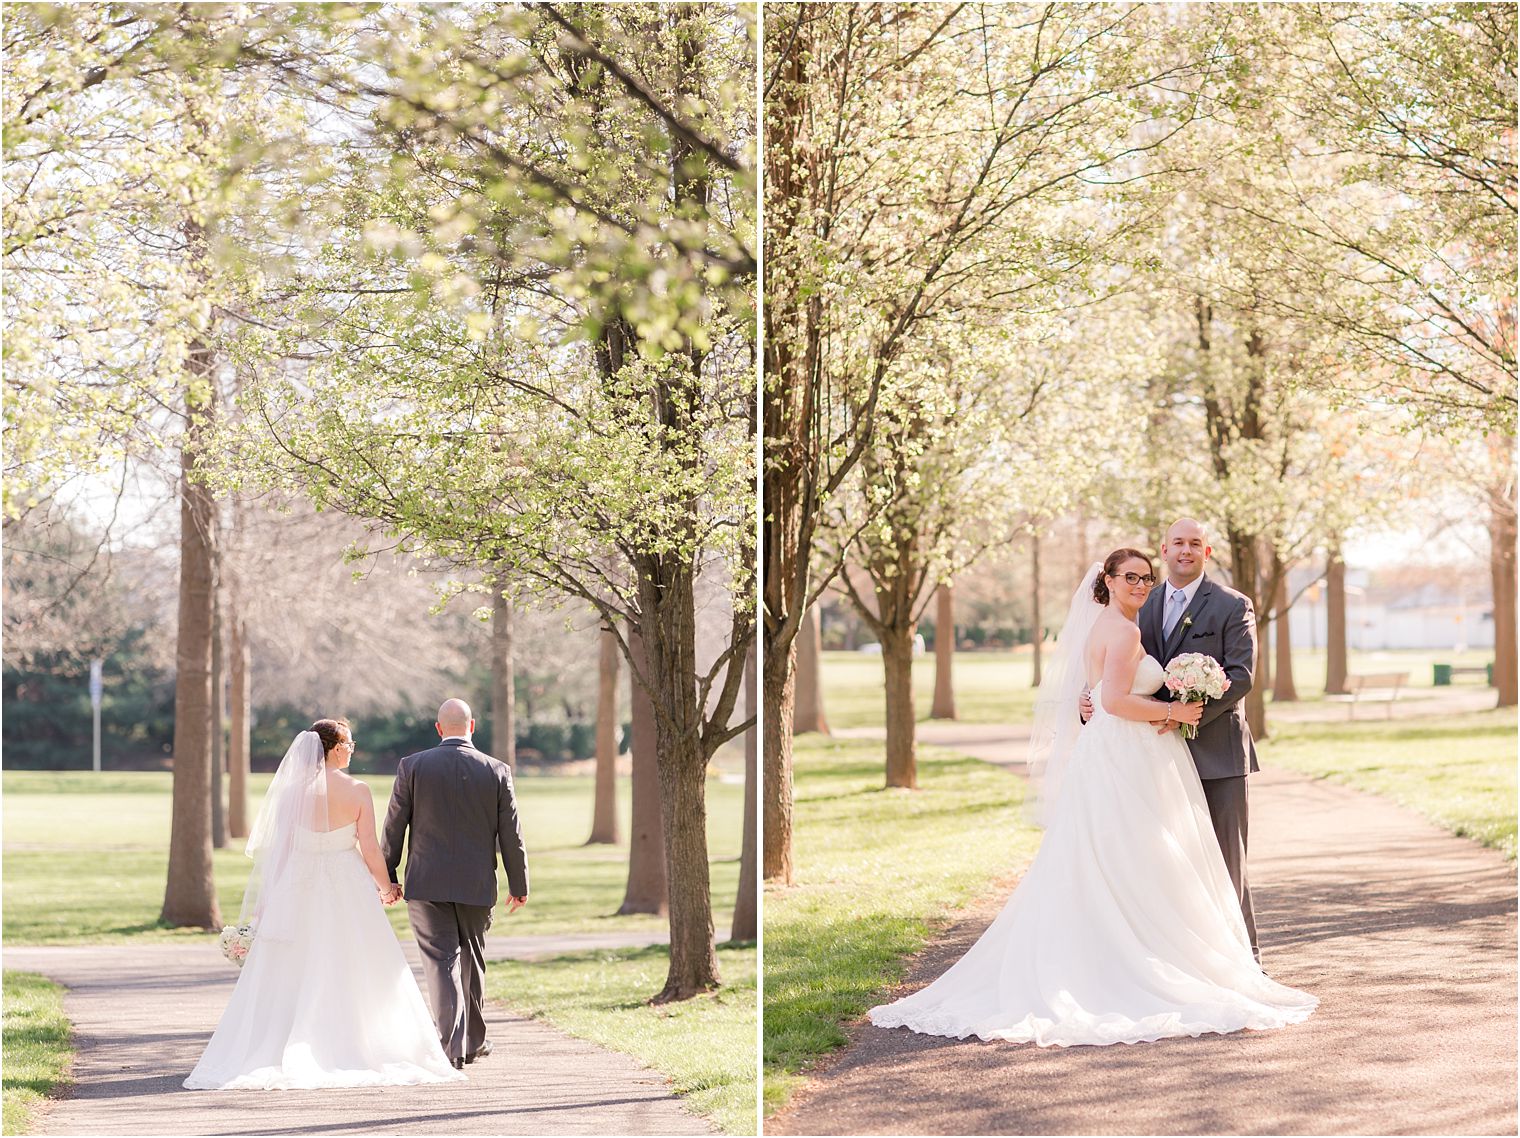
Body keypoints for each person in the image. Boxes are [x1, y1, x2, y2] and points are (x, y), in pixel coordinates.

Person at [869, 551, 1315, 1046]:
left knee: (1117, 859)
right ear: (1108, 580)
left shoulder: (1113, 624)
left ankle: (1126, 952)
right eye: (1130, 577)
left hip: (1118, 753)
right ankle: (1129, 963)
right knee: (1135, 857)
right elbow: (1114, 701)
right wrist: (1176, 712)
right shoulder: (1123, 630)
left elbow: (1101, 694)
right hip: (1128, 754)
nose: (1141, 585)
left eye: (1146, 578)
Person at [185, 719, 464, 1089]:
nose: (353, 749)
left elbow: (279, 852)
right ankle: (352, 1044)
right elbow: (369, 849)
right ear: (334, 748)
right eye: (349, 743)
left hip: (296, 887)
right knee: (355, 963)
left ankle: (277, 1045)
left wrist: (267, 904)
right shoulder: (357, 790)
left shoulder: (291, 793)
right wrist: (387, 887)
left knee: (292, 967)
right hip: (345, 885)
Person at [1080, 517, 1261, 960]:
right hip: (1151, 757)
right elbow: (1113, 673)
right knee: (1165, 863)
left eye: (1194, 543)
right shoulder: (1140, 600)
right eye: (1177, 543)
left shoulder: (1233, 604)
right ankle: (1180, 960)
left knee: (1223, 862)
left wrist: (1185, 717)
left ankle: (1244, 959)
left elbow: (1240, 676)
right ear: (1164, 550)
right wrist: (1087, 701)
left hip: (1216, 754)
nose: (1186, 550)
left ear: (1207, 552)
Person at [382, 699, 529, 1069]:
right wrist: (518, 882)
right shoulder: (496, 770)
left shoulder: (412, 767)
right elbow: (511, 833)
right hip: (476, 884)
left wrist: (388, 876)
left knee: (441, 962)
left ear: (438, 728)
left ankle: (453, 1047)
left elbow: (394, 825)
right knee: (472, 961)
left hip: (426, 883)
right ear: (472, 726)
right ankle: (472, 1041)